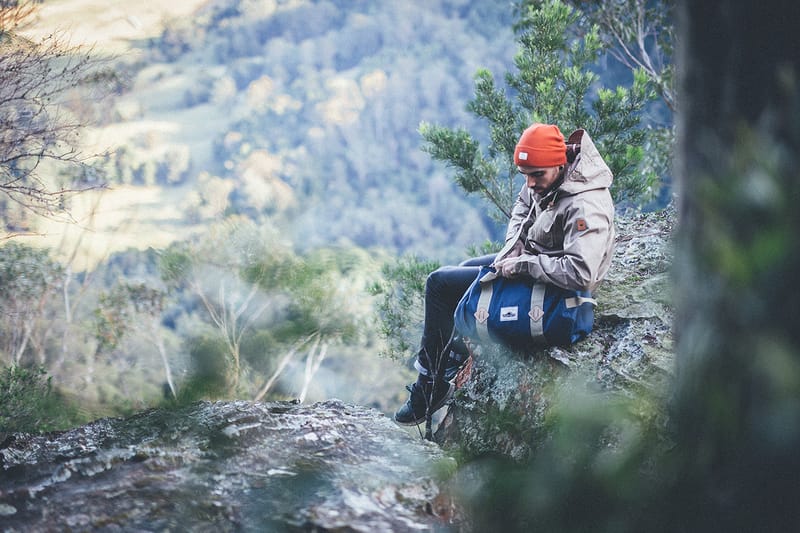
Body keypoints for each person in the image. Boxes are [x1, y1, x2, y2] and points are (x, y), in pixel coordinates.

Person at [394, 123, 616, 426]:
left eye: (536, 175)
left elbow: (581, 273)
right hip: (538, 258)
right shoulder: (548, 176)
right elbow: (523, 205)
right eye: (525, 175)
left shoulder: (585, 205)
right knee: (465, 269)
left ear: (560, 163)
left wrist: (523, 264)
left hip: (558, 286)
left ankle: (429, 389)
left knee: (440, 284)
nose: (531, 183)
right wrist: (513, 247)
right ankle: (450, 361)